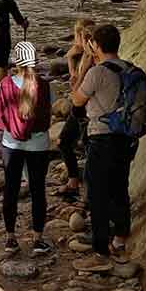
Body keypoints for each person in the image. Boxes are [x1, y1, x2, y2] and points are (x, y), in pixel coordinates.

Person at [70, 24, 137, 263]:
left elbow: (77, 100)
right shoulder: (130, 68)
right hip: (127, 137)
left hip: (102, 138)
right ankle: (120, 236)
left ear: (96, 45)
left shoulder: (97, 72)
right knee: (120, 186)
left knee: (97, 190)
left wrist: (83, 66)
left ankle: (100, 245)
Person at [0, 41, 55, 256]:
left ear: (16, 62)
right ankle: (38, 239)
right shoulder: (45, 86)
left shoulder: (5, 84)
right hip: (38, 145)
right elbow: (50, 110)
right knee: (38, 190)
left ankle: (11, 238)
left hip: (12, 144)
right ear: (35, 62)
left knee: (10, 189)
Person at [58, 18, 95, 201]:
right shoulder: (82, 57)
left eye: (75, 35)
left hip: (86, 111)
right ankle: (74, 180)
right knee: (64, 141)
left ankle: (88, 193)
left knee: (89, 151)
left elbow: (76, 90)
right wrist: (71, 60)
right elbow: (73, 81)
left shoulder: (91, 62)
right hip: (79, 109)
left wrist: (74, 65)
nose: (74, 40)